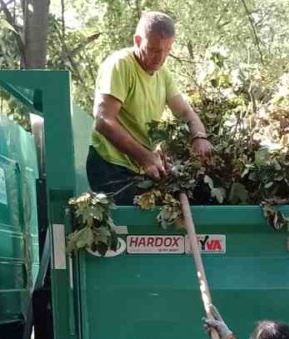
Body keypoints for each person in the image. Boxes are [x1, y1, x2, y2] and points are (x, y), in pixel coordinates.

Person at [88, 11, 213, 205]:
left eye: (167, 50)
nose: (160, 58)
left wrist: (199, 136)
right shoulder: (120, 65)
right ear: (137, 41)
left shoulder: (163, 75)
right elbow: (104, 120)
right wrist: (145, 157)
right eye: (154, 50)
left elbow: (185, 112)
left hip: (138, 167)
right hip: (110, 167)